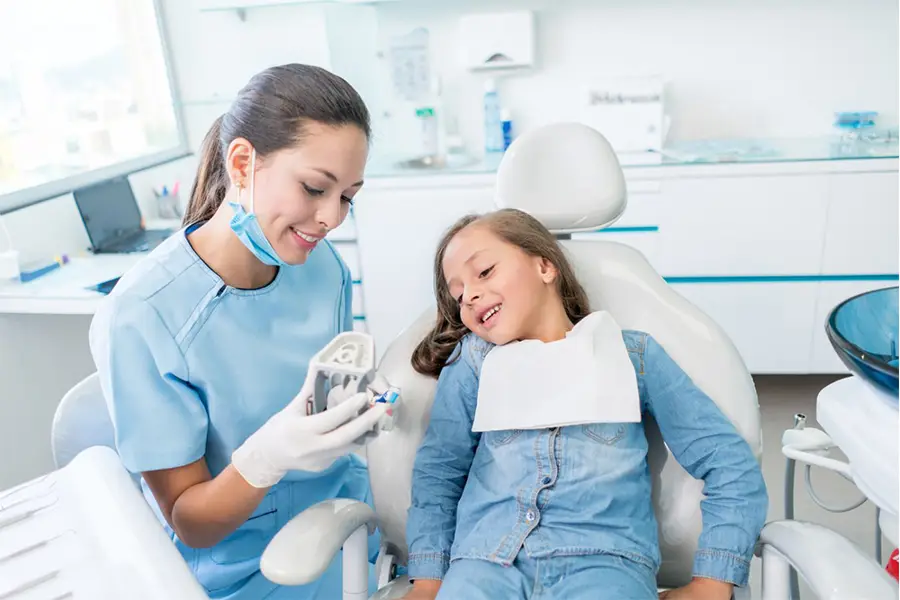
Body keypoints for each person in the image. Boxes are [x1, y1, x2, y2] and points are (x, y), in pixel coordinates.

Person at [89, 64, 388, 599]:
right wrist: (266, 457)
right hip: (243, 569)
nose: (331, 219)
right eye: (315, 188)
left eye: (347, 196)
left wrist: (361, 416)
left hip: (346, 526)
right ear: (243, 162)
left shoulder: (324, 271)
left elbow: (331, 408)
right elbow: (191, 522)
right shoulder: (143, 316)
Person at [401, 209, 768, 600]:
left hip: (605, 565)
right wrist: (428, 580)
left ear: (545, 266)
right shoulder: (473, 364)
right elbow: (439, 474)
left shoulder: (632, 357)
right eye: (458, 294)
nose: (469, 295)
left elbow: (728, 461)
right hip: (484, 563)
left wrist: (713, 580)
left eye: (485, 271)